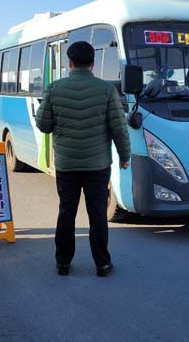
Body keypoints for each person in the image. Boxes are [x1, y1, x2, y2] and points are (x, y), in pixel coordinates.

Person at [36, 41, 131, 277]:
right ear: (93, 63)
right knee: (98, 214)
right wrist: (125, 155)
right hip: (97, 165)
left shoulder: (54, 88)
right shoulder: (107, 89)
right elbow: (119, 127)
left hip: (66, 164)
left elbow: (44, 125)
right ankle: (102, 264)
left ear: (70, 62)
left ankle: (63, 263)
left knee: (66, 212)